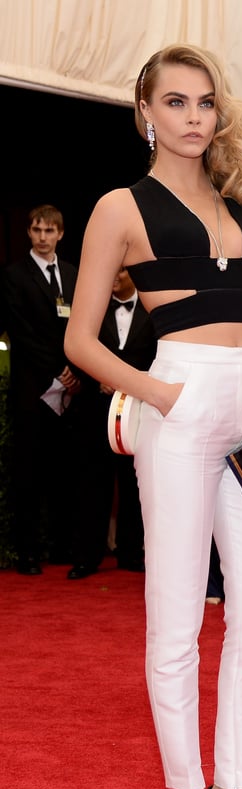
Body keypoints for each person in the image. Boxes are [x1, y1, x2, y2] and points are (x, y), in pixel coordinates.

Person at [64, 43, 242, 789]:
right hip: (178, 411)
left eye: (204, 102)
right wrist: (156, 394)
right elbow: (79, 339)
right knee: (175, 626)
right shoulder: (119, 207)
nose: (193, 116)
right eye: (174, 102)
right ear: (145, 114)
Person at [2, 204, 80, 575]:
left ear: (61, 234)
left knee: (65, 471)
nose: (43, 237)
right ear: (28, 233)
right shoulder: (14, 276)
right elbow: (20, 332)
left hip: (71, 388)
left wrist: (74, 372)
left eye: (50, 231)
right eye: (37, 230)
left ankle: (64, 546)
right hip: (32, 388)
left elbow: (82, 326)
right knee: (29, 472)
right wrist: (56, 371)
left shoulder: (73, 274)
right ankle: (28, 552)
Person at [66, 266, 156, 579]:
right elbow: (76, 350)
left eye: (120, 270)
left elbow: (160, 357)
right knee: (91, 482)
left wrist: (131, 383)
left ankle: (132, 552)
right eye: (112, 270)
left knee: (135, 482)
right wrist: (97, 378)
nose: (114, 275)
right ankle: (86, 557)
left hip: (139, 410)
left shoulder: (151, 310)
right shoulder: (94, 308)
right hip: (95, 409)